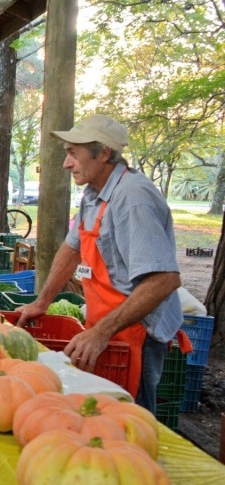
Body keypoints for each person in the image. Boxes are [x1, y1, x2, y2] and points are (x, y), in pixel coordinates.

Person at [16, 115, 182, 413]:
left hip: (136, 333)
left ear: (103, 153)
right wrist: (41, 302)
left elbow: (164, 280)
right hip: (106, 325)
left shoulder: (133, 198)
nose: (67, 163)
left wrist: (100, 332)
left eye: (72, 153)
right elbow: (71, 248)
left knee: (130, 417)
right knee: (101, 411)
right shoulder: (94, 194)